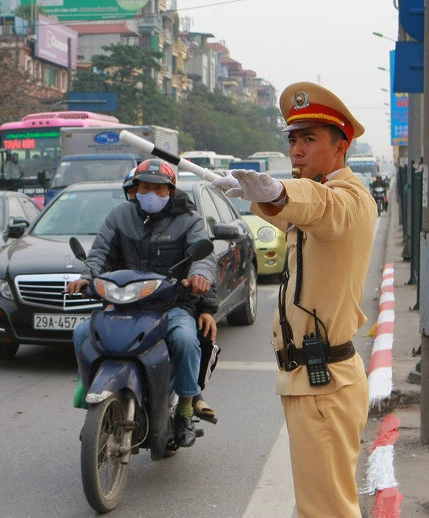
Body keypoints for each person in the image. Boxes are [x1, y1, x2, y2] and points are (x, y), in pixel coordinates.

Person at [212, 81, 376, 517]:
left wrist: (277, 192)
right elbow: (298, 217)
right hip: (309, 380)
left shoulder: (351, 200)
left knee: (325, 511)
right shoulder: (318, 198)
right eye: (292, 141)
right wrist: (260, 198)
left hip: (326, 383)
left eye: (309, 140)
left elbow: (319, 205)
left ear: (340, 147)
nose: (297, 151)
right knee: (318, 507)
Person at [66, 159, 217, 447]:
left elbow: (204, 258)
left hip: (171, 304)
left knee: (185, 340)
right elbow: (100, 254)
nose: (151, 194)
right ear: (135, 189)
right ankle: (92, 399)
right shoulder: (120, 215)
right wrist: (87, 277)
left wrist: (199, 276)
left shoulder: (190, 219)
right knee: (82, 334)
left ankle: (185, 409)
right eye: (145, 187)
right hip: (125, 304)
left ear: (171, 190)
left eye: (159, 189)